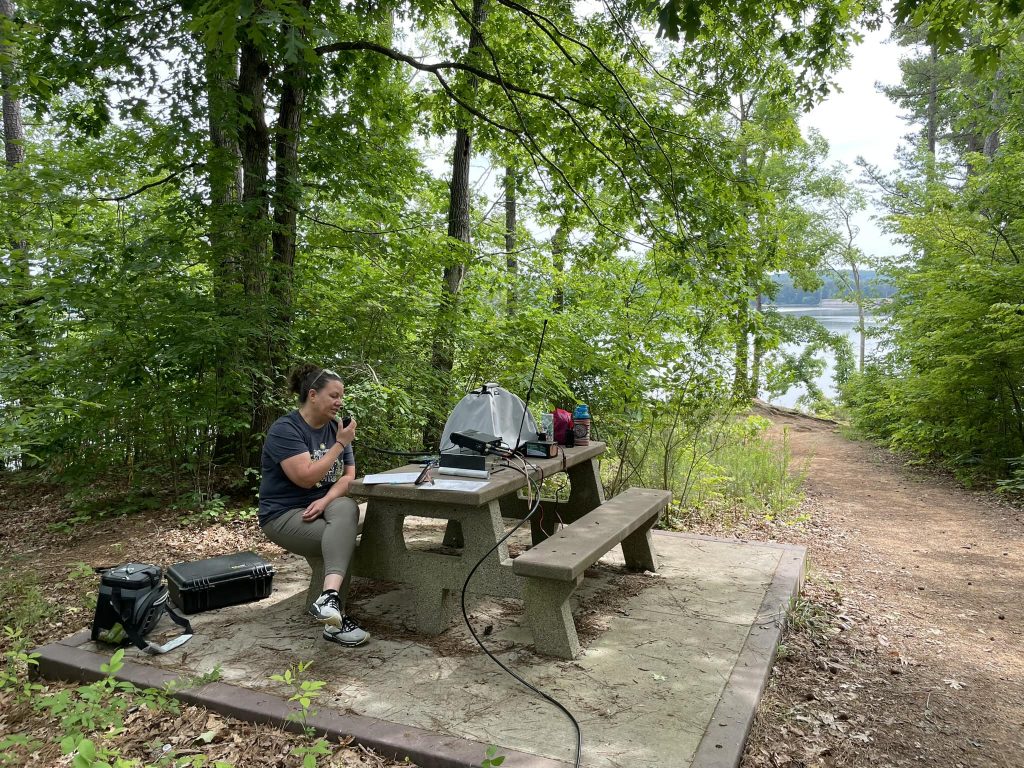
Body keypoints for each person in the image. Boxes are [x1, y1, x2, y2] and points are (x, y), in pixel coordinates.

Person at [258, 364, 369, 647]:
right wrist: (339, 445)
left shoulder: (336, 428)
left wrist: (326, 499)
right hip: (283, 515)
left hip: (321, 506)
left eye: (341, 396)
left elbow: (349, 477)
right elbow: (305, 477)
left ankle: (328, 599)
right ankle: (335, 622)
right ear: (312, 395)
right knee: (343, 541)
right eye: (334, 395)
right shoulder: (286, 429)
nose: (339, 402)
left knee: (346, 508)